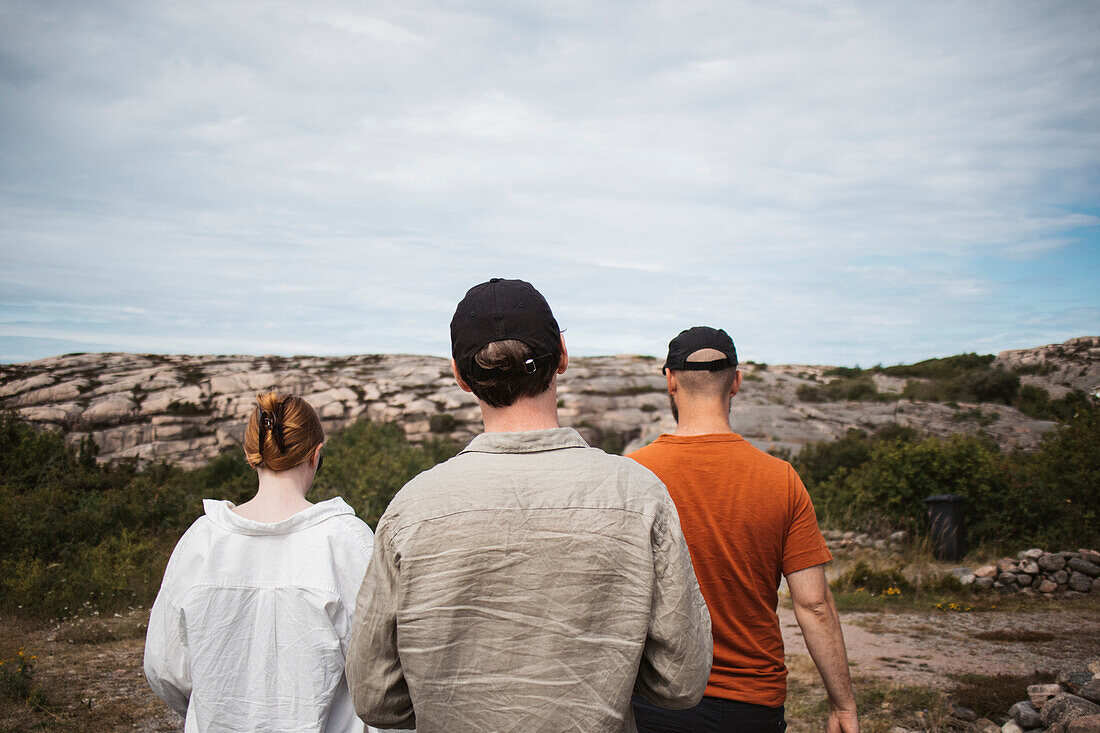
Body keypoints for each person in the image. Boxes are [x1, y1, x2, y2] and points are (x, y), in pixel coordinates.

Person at [346, 278, 712, 732]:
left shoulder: (412, 509)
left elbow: (376, 700)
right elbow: (680, 682)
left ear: (460, 376)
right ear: (562, 355)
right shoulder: (639, 495)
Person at [629, 327, 859, 733]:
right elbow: (814, 604)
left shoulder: (633, 475)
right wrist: (843, 704)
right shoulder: (781, 479)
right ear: (736, 381)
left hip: (657, 699)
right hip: (751, 704)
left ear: (670, 380)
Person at [145, 392, 376, 733]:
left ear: (251, 456)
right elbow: (379, 669)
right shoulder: (348, 542)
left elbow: (164, 669)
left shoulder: (201, 542)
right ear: (316, 455)